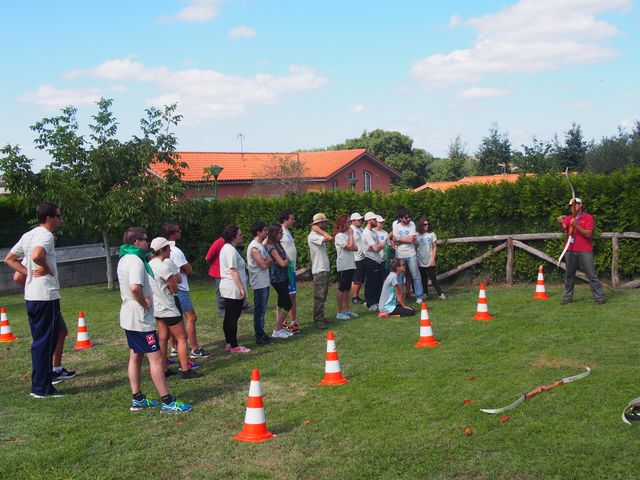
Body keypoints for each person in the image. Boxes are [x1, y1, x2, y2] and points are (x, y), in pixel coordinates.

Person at [117, 227, 192, 412]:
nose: (147, 243)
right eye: (145, 239)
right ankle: (167, 402)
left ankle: (138, 399)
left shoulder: (124, 258)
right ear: (136, 242)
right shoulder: (135, 261)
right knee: (157, 359)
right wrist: (144, 302)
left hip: (128, 315)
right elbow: (135, 288)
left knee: (135, 356)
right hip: (140, 318)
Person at [4, 203, 75, 398]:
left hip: (32, 296)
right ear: (50, 217)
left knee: (41, 341)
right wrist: (47, 269)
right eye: (59, 216)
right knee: (46, 342)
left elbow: (9, 258)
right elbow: (37, 255)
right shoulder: (46, 235)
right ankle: (41, 388)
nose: (60, 220)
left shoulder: (29, 235)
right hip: (46, 296)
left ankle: (43, 386)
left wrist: (28, 275)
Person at [12, 259, 76, 385]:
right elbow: (17, 276)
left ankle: (56, 369)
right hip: (44, 301)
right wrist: (32, 288)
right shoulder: (38, 252)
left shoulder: (42, 251)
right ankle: (48, 375)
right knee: (47, 338)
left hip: (46, 300)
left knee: (61, 332)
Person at [149, 237, 202, 380]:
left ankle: (164, 368)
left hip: (158, 308)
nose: (170, 250)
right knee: (182, 337)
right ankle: (186, 370)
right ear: (161, 250)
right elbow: (174, 289)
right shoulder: (163, 266)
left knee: (163, 337)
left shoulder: (150, 265)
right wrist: (175, 283)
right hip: (169, 307)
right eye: (167, 248)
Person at [162, 223, 211, 360]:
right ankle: (195, 349)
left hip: (169, 290)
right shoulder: (175, 251)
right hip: (180, 289)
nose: (180, 232)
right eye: (178, 230)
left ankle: (174, 348)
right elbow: (188, 269)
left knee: (172, 319)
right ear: (172, 233)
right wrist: (188, 267)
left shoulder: (163, 250)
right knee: (191, 317)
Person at [559, 198, 605, 304]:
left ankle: (599, 297)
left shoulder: (588, 218)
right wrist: (559, 223)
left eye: (574, 205)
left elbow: (588, 234)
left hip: (585, 250)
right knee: (569, 275)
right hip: (570, 249)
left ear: (580, 205)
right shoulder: (569, 218)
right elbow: (563, 229)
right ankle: (567, 297)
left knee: (591, 275)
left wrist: (576, 225)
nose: (572, 207)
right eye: (570, 206)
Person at [219, 225, 252, 352]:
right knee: (233, 317)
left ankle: (229, 343)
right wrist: (241, 288)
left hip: (229, 287)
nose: (241, 236)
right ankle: (234, 345)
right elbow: (233, 270)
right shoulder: (230, 250)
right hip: (232, 288)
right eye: (240, 234)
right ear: (233, 236)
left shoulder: (228, 249)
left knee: (229, 316)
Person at [265, 224, 294, 338]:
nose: (282, 234)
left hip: (284, 277)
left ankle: (280, 328)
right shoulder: (271, 247)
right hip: (277, 279)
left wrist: (285, 260)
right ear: (274, 233)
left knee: (281, 302)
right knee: (288, 303)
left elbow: (286, 258)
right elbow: (283, 262)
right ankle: (277, 330)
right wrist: (285, 261)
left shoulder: (278, 244)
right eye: (280, 233)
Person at [246, 221, 273, 344]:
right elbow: (263, 264)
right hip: (259, 282)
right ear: (259, 232)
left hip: (264, 281)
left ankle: (262, 333)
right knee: (259, 311)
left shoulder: (260, 245)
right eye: (265, 230)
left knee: (263, 309)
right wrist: (268, 261)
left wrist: (267, 261)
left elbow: (268, 260)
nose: (266, 232)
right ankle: (259, 336)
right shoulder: (254, 247)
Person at [391, 207, 424, 304]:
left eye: (409, 217)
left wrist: (400, 239)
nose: (408, 219)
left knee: (415, 275)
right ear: (400, 218)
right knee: (400, 277)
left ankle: (419, 296)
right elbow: (395, 239)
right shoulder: (395, 225)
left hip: (411, 254)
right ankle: (400, 297)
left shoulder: (412, 224)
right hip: (400, 254)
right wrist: (403, 239)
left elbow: (410, 240)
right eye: (406, 217)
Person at [307, 213, 333, 329]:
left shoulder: (317, 235)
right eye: (324, 222)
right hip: (319, 269)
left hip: (323, 269)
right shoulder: (313, 236)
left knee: (323, 295)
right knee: (319, 296)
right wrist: (319, 230)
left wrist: (319, 230)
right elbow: (329, 238)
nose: (326, 224)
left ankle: (321, 317)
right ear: (318, 224)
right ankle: (318, 320)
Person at [333, 214, 358, 320]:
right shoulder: (339, 236)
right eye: (348, 222)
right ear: (343, 223)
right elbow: (349, 246)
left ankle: (347, 309)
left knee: (347, 288)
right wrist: (351, 237)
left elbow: (355, 248)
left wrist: (350, 241)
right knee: (342, 288)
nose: (350, 224)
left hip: (351, 264)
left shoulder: (348, 234)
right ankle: (340, 311)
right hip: (343, 265)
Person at [279, 210, 300, 333]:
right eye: (292, 219)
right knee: (288, 296)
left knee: (292, 295)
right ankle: (285, 323)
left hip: (291, 268)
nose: (293, 221)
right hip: (285, 269)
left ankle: (292, 321)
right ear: (285, 220)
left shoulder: (287, 232)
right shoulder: (280, 231)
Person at [361, 212, 386, 311]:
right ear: (368, 220)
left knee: (379, 282)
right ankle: (369, 303)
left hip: (378, 260)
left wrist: (378, 246)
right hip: (370, 260)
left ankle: (377, 301)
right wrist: (381, 245)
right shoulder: (366, 232)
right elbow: (376, 248)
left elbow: (376, 247)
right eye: (374, 219)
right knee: (371, 283)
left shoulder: (374, 232)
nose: (376, 221)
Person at [416, 218, 446, 300]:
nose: (427, 226)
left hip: (430, 259)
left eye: (428, 224)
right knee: (423, 278)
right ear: (421, 225)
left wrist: (433, 259)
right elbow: (415, 247)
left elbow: (435, 247)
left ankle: (440, 294)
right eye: (425, 224)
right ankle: (425, 293)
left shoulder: (432, 234)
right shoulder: (417, 235)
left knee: (433, 278)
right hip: (421, 259)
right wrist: (417, 260)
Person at [204, 235, 226, 318]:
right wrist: (214, 264)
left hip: (225, 271)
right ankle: (222, 310)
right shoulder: (218, 243)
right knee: (220, 291)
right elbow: (208, 257)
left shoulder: (227, 243)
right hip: (218, 271)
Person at [350, 212, 365, 305]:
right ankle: (354, 297)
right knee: (357, 278)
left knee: (361, 278)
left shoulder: (361, 229)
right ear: (353, 221)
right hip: (356, 257)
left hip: (363, 256)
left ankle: (357, 296)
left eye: (360, 220)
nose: (360, 221)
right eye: (358, 220)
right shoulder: (351, 229)